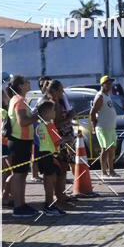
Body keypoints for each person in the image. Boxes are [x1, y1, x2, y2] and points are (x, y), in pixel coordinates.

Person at [7, 74, 39, 218]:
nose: (29, 83)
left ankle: (21, 203)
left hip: (22, 141)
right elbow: (22, 121)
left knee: (22, 174)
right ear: (20, 86)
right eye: (26, 81)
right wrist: (37, 116)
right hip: (19, 141)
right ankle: (18, 206)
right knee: (18, 175)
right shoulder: (19, 100)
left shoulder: (18, 99)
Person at [46, 80, 76, 208]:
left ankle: (61, 194)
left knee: (64, 169)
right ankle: (58, 196)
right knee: (61, 169)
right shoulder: (52, 105)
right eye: (60, 90)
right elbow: (54, 125)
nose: (62, 92)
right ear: (54, 91)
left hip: (65, 139)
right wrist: (69, 118)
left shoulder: (60, 102)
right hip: (60, 140)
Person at [35, 100, 65, 216]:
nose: (55, 112)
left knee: (49, 180)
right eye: (53, 110)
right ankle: (49, 205)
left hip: (43, 153)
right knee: (50, 181)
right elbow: (57, 141)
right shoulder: (50, 125)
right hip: (49, 155)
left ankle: (50, 204)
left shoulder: (40, 126)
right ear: (46, 113)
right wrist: (67, 139)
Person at [90, 76, 117, 178]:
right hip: (103, 127)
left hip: (110, 128)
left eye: (111, 83)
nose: (110, 85)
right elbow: (92, 113)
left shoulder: (107, 95)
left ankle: (112, 171)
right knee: (105, 149)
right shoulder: (100, 97)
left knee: (112, 150)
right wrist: (94, 126)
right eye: (108, 84)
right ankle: (103, 172)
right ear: (102, 84)